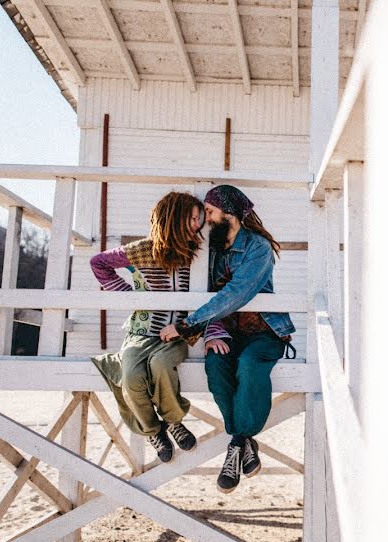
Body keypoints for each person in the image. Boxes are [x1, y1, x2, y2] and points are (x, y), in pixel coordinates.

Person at [159, 185, 295, 494]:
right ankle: (243, 442)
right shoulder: (213, 250)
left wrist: (189, 324)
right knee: (217, 365)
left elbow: (237, 293)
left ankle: (237, 442)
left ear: (228, 212)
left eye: (209, 211)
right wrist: (212, 332)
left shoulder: (257, 247)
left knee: (248, 365)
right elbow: (209, 291)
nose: (206, 219)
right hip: (227, 332)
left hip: (264, 331)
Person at [89, 191, 204, 464]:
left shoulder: (198, 256)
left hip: (176, 334)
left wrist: (185, 327)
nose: (197, 226)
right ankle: (154, 431)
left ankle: (174, 421)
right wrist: (128, 295)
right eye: (192, 219)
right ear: (173, 218)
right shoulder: (142, 250)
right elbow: (99, 263)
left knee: (161, 366)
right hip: (140, 333)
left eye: (199, 220)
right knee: (130, 378)